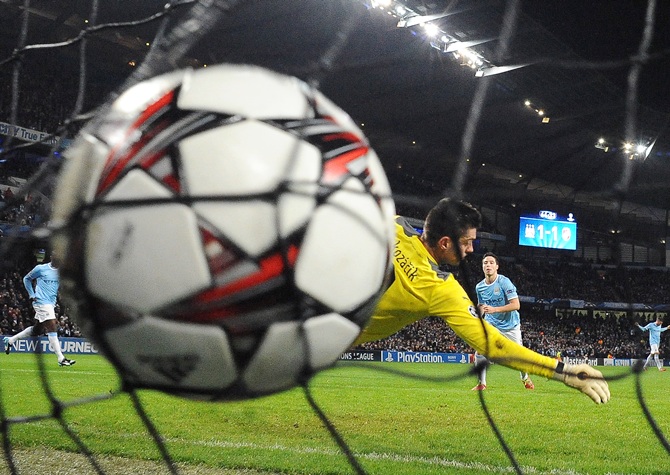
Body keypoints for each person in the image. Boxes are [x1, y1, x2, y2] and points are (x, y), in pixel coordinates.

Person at [352, 198, 609, 404]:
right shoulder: (440, 288)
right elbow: (494, 345)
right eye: (467, 242)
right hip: (328, 339)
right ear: (444, 243)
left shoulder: (395, 225)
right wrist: (563, 371)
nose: (471, 250)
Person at [472, 252, 533, 391]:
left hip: (510, 325)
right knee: (480, 351)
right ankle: (482, 383)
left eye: (491, 263)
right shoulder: (479, 287)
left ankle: (524, 377)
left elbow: (516, 305)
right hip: (491, 323)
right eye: (485, 263)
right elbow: (482, 306)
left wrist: (494, 309)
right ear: (482, 267)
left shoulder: (504, 282)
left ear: (497, 266)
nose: (488, 265)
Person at [3, 252, 76, 366]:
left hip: (51, 303)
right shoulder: (41, 269)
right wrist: (32, 294)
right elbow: (26, 279)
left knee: (37, 330)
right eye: (54, 256)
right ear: (51, 257)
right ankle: (61, 358)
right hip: (41, 302)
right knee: (52, 326)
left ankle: (10, 340)